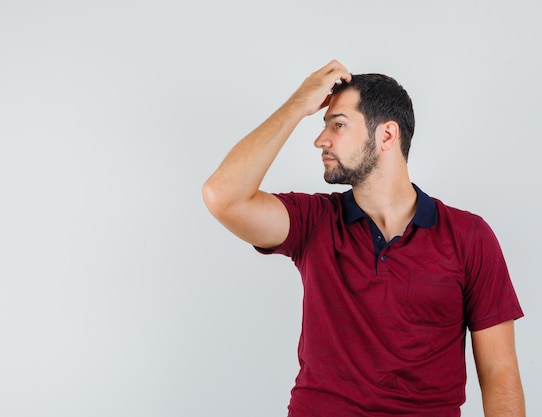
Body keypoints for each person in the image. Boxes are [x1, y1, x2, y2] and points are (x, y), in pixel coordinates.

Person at [202, 60, 525, 417]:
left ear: (387, 135)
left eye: (338, 125)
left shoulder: (469, 237)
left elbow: (499, 371)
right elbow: (223, 196)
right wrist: (297, 104)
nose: (320, 140)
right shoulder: (314, 222)